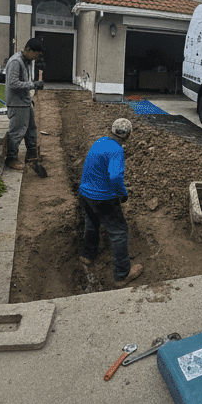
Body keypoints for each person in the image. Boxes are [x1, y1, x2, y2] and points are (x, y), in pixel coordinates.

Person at [78, 118, 142, 286]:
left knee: (92, 223)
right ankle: (122, 274)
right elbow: (115, 177)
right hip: (102, 198)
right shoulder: (117, 151)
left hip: (85, 193)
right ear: (128, 135)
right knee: (119, 232)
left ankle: (87, 255)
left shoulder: (100, 142)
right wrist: (122, 193)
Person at [4, 37, 45, 174]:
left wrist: (29, 96)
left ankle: (31, 155)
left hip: (25, 102)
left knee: (31, 130)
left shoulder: (26, 61)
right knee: (17, 132)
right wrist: (32, 85)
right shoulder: (16, 62)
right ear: (28, 50)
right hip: (17, 104)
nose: (37, 58)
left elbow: (23, 82)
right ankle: (11, 158)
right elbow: (13, 83)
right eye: (37, 55)